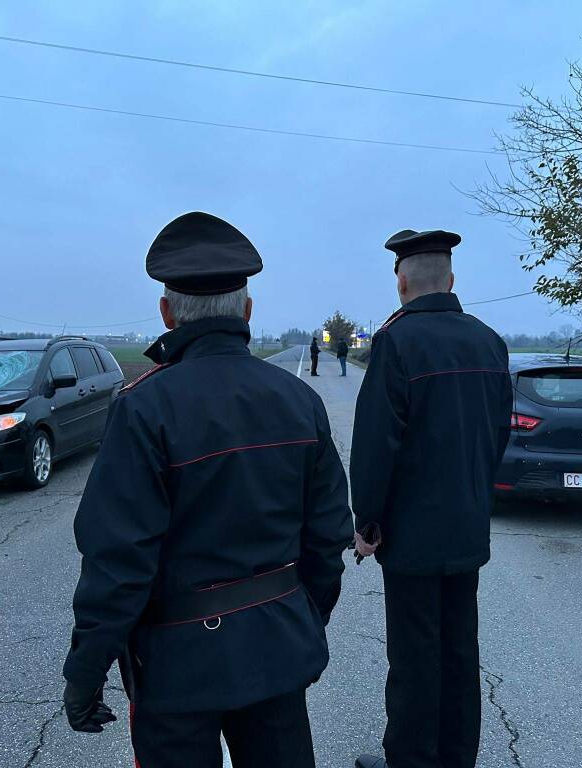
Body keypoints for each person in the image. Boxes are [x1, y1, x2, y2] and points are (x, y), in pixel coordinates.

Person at [62, 211, 353, 768]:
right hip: (277, 653)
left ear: (166, 312)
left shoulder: (145, 407)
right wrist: (300, 618)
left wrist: (86, 669)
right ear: (247, 310)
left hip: (176, 668)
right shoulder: (298, 401)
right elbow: (329, 536)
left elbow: (118, 560)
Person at [350, 229, 513, 768]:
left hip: (413, 536)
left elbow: (377, 444)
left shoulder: (396, 343)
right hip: (468, 525)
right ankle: (456, 756)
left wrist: (368, 519)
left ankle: (411, 758)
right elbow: (498, 434)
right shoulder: (490, 341)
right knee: (460, 650)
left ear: (401, 284)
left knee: (414, 655)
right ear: (452, 279)